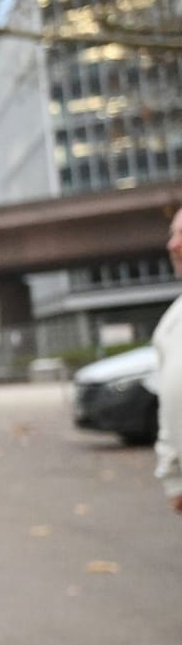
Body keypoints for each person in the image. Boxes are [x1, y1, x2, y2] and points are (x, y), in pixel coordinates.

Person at [152, 207, 182, 512]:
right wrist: (174, 477)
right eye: (174, 234)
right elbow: (170, 408)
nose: (173, 245)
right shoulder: (172, 323)